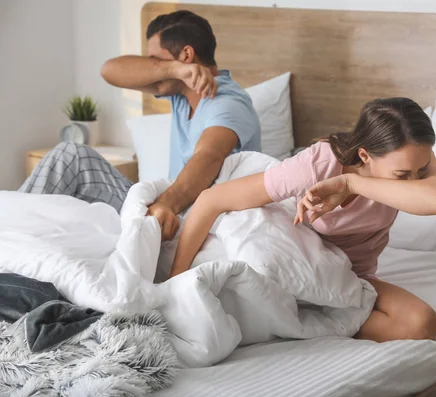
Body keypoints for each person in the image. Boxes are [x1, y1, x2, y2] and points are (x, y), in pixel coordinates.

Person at [169, 97, 436, 342]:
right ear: (365, 155)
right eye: (403, 176)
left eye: (423, 169)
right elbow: (211, 200)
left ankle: (307, 319)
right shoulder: (318, 164)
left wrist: (350, 184)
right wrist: (173, 285)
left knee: (421, 324)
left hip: (351, 278)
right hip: (297, 268)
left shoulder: (414, 155)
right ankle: (294, 312)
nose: (415, 181)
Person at [19, 10, 261, 241]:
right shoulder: (180, 94)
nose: (153, 68)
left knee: (70, 157)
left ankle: (11, 229)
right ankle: (12, 231)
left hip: (185, 214)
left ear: (187, 54)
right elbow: (109, 71)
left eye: (156, 59)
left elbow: (209, 156)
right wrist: (174, 68)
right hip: (168, 204)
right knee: (72, 156)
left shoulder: (228, 102)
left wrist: (166, 204)